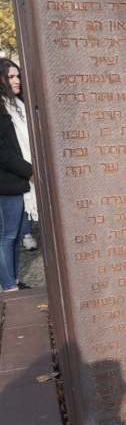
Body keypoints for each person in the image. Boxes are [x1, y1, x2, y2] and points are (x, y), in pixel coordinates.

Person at [0, 59, 35, 290]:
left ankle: (13, 280)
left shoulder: (18, 105)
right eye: (10, 77)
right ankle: (8, 286)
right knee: (6, 237)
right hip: (6, 182)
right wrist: (30, 171)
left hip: (20, 182)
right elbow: (2, 152)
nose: (16, 81)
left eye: (18, 76)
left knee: (14, 238)